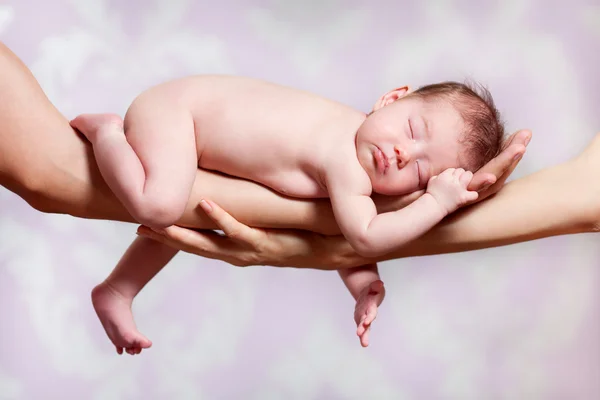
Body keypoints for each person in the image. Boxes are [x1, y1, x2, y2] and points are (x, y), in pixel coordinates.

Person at [1, 40, 545, 355]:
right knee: (159, 206)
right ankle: (108, 134)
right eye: (411, 128)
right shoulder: (346, 158)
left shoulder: (354, 175)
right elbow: (361, 230)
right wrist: (437, 202)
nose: (402, 152)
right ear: (391, 98)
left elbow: (329, 229)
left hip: (198, 140)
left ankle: (116, 289)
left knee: (205, 218)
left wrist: (363, 284)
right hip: (179, 114)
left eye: (422, 165)